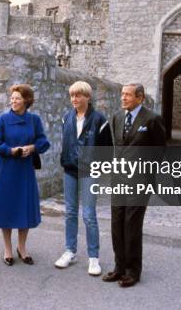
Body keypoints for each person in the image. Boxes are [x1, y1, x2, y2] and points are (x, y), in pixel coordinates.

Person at [102, 83, 166, 288]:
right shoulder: (117, 118)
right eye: (122, 94)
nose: (123, 98)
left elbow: (159, 152)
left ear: (140, 97)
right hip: (118, 180)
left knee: (131, 225)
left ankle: (132, 271)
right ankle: (119, 267)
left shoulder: (152, 119)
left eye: (128, 95)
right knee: (116, 223)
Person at [0, 84, 50, 266]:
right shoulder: (2, 119)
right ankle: (8, 249)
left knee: (24, 208)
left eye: (17, 98)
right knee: (7, 208)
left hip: (25, 171)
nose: (13, 101)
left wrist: (32, 147)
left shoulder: (34, 120)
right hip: (6, 170)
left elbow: (43, 141)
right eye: (12, 98)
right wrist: (11, 150)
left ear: (26, 101)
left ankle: (22, 247)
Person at [54, 81, 112, 276]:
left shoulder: (99, 120)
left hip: (90, 172)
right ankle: (70, 251)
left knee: (88, 214)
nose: (74, 99)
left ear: (88, 97)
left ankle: (93, 257)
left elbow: (107, 149)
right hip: (70, 170)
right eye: (72, 96)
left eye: (78, 95)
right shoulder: (66, 118)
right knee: (70, 212)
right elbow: (66, 143)